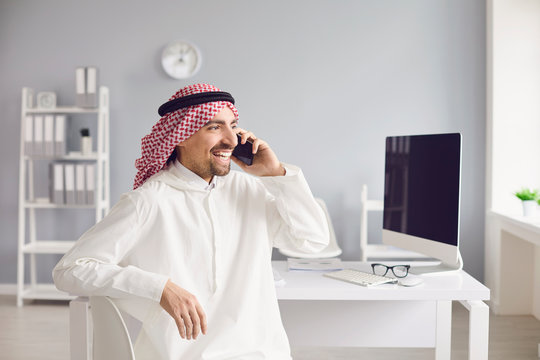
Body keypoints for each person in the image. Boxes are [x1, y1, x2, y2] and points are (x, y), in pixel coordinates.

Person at [53, 83, 329, 359]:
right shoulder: (148, 201)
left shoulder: (251, 190)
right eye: (214, 127)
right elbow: (69, 270)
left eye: (233, 126)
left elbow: (312, 242)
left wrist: (277, 175)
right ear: (180, 135)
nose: (232, 140)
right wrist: (160, 287)